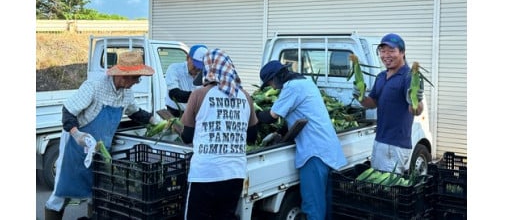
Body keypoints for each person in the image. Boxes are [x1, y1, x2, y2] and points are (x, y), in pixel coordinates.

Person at [44, 50, 162, 220]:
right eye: (136, 78)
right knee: (63, 188)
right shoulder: (94, 87)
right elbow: (68, 112)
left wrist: (154, 121)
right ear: (123, 76)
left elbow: (134, 112)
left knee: (97, 188)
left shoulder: (126, 93)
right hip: (76, 143)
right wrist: (78, 135)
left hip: (100, 147)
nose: (137, 82)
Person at [257, 60, 347, 220]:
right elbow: (300, 113)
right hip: (327, 148)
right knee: (325, 203)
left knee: (313, 206)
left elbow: (272, 116)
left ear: (276, 77)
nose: (272, 87)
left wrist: (251, 114)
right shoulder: (305, 82)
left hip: (314, 153)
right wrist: (282, 131)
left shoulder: (292, 88)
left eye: (270, 82)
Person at [178, 48, 258, 219]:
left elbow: (186, 137)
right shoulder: (246, 97)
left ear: (208, 69)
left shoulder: (198, 94)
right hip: (235, 174)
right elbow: (252, 137)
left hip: (205, 173)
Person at [353, 33, 424, 174]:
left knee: (389, 189)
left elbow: (415, 110)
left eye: (392, 51)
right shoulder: (380, 77)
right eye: (383, 51)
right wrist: (360, 96)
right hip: (380, 139)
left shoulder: (408, 77)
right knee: (379, 187)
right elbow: (372, 102)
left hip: (395, 145)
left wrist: (416, 100)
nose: (386, 55)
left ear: (402, 53)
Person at [164, 44, 208, 117]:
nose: (197, 69)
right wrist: (196, 97)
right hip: (174, 112)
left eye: (201, 66)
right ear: (187, 58)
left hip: (192, 112)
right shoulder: (174, 69)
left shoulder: (205, 74)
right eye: (195, 65)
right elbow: (174, 94)